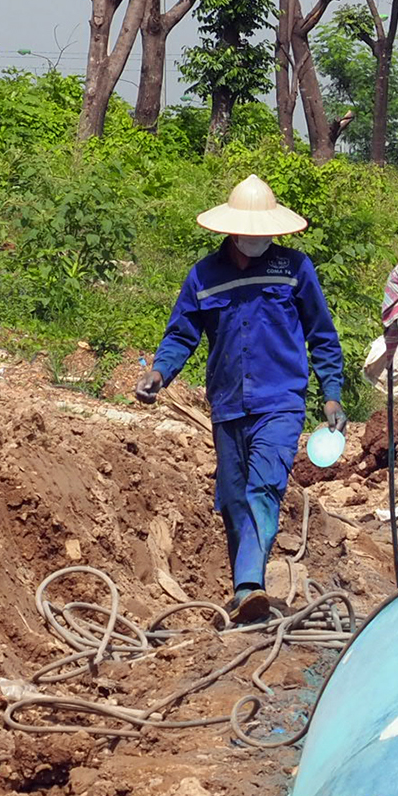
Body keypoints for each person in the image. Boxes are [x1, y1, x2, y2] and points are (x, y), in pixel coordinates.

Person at [137, 175, 346, 625]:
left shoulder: (295, 269)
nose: (257, 241)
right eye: (249, 234)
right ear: (231, 231)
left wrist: (331, 393)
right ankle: (243, 593)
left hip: (281, 401)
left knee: (263, 488)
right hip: (229, 403)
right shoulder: (204, 276)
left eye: (264, 233)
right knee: (233, 499)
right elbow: (182, 333)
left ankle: (251, 584)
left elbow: (323, 336)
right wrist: (159, 372)